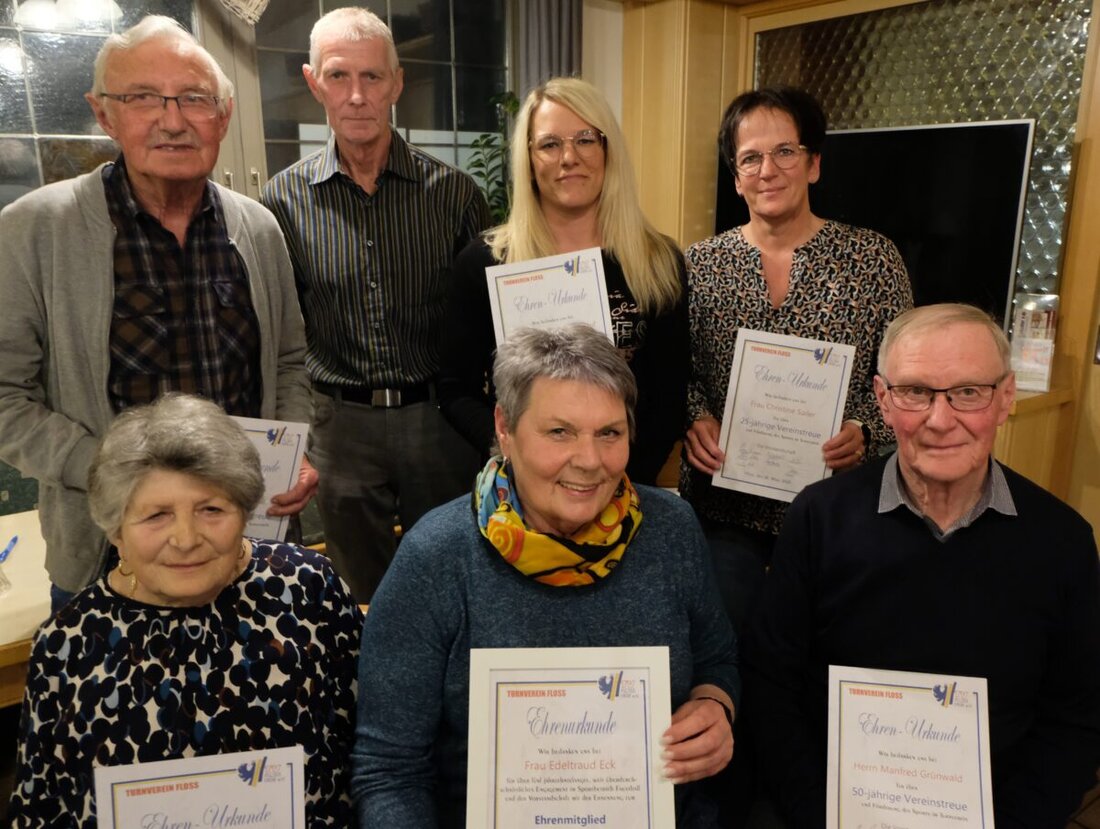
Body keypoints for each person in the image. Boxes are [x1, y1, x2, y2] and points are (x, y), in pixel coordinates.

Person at [352, 324, 739, 827]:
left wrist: (717, 705)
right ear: (505, 428)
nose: (590, 461)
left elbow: (717, 658)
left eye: (610, 433)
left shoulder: (671, 529)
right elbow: (388, 771)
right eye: (560, 432)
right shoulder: (437, 556)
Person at [743, 303, 1100, 828]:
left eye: (968, 392)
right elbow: (771, 683)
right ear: (883, 401)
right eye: (915, 392)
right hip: (830, 804)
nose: (939, 419)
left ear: (1005, 400)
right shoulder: (819, 516)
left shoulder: (1063, 542)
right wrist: (816, 812)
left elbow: (1075, 719)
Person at [0, 15, 314, 610]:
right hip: (106, 555)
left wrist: (292, 455)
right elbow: (5, 398)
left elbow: (290, 364)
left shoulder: (258, 228)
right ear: (105, 114)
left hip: (250, 542)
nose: (172, 120)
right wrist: (116, 474)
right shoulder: (32, 231)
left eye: (194, 99)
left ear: (222, 117)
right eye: (143, 97)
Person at [7, 394, 363, 826]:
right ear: (116, 530)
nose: (186, 538)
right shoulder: (69, 645)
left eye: (211, 509)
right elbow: (41, 810)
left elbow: (370, 753)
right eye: (156, 515)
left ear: (244, 511)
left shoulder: (307, 590)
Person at [261, 7, 490, 603]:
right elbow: (281, 333)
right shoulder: (280, 201)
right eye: (339, 77)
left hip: (437, 421)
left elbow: (487, 324)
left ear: (396, 82)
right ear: (313, 83)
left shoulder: (456, 195)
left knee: (450, 579)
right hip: (340, 428)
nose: (357, 95)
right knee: (361, 591)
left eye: (372, 77)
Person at [682, 87, 913, 633]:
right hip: (726, 511)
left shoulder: (873, 260)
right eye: (750, 158)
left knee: (828, 651)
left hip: (841, 508)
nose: (768, 170)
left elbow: (907, 377)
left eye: (785, 152)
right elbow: (680, 371)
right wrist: (695, 416)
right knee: (725, 648)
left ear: (813, 164)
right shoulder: (699, 265)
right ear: (736, 177)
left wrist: (866, 427)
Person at [439, 77, 689, 485]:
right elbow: (455, 389)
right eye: (550, 144)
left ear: (608, 151)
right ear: (529, 159)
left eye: (585, 140)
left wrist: (617, 478)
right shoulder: (484, 263)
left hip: (628, 484)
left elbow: (667, 395)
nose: (569, 157)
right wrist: (514, 452)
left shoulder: (658, 262)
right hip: (520, 488)